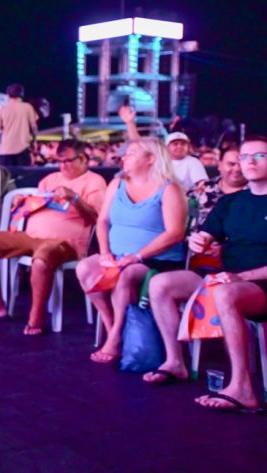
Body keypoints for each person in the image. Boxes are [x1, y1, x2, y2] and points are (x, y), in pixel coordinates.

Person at [142, 136, 267, 413]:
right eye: (245, 157)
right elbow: (206, 236)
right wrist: (199, 241)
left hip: (259, 284)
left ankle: (242, 387)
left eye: (260, 155)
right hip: (226, 278)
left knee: (224, 292)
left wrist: (244, 277)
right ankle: (175, 361)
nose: (250, 162)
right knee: (161, 283)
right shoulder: (230, 202)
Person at [0, 138, 106, 334]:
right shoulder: (49, 179)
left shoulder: (95, 181)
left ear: (83, 158)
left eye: (68, 161)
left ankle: (36, 318)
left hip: (64, 242)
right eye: (59, 161)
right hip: (30, 236)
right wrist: (22, 203)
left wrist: (74, 198)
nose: (62, 166)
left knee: (41, 260)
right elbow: (34, 206)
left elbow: (97, 218)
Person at [77, 137, 188, 363]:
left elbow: (175, 233)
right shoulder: (117, 184)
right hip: (118, 255)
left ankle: (116, 337)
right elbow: (102, 221)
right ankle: (112, 327)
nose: (124, 157)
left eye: (132, 153)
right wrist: (105, 253)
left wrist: (137, 256)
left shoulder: (170, 189)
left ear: (151, 159)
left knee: (126, 274)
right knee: (85, 268)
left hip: (155, 259)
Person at [0, 83, 38, 167]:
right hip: (23, 149)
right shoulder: (28, 107)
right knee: (23, 174)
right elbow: (34, 127)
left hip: (6, 151)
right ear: (21, 94)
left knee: (7, 175)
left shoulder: (2, 110)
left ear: (8, 95)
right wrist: (34, 142)